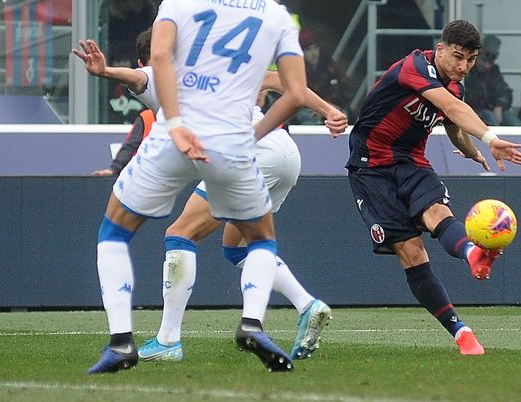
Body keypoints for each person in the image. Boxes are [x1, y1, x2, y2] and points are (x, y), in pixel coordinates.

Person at [73, 31, 346, 362]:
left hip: (250, 154)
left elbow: (137, 77)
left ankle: (168, 340)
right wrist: (328, 110)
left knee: (179, 234)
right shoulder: (219, 70)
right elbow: (284, 82)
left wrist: (105, 72)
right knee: (238, 246)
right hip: (285, 152)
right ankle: (307, 305)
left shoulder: (163, 73)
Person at [345, 20, 521, 355]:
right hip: (370, 165)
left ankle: (474, 254)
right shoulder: (415, 67)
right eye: (458, 57)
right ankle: (461, 332)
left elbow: (452, 121)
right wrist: (490, 139)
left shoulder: (455, 85)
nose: (463, 66)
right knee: (411, 251)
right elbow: (453, 108)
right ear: (440, 48)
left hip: (412, 161)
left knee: (437, 211)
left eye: (470, 60)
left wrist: (471, 149)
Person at [293, 29, 352, 124]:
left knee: (344, 116)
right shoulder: (297, 69)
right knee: (307, 120)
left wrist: (333, 106)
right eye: (308, 49)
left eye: (315, 48)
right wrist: (320, 107)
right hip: (308, 110)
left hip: (333, 107)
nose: (313, 53)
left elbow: (345, 90)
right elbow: (295, 96)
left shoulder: (329, 65)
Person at [464, 35, 521, 126]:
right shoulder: (466, 71)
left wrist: (499, 106)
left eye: (490, 63)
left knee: (515, 123)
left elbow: (505, 92)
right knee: (490, 117)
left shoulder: (494, 71)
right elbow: (468, 98)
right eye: (484, 60)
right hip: (474, 112)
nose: (486, 65)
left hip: (493, 109)